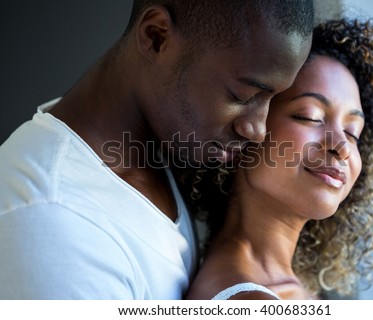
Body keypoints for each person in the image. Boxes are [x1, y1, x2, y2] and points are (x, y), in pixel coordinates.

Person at [0, 0, 314, 299]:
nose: (258, 131)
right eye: (243, 95)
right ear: (157, 36)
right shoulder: (51, 221)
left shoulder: (162, 150)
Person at [182, 18, 373, 300]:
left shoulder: (293, 287)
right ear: (245, 128)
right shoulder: (249, 300)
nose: (342, 145)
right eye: (310, 116)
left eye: (353, 132)